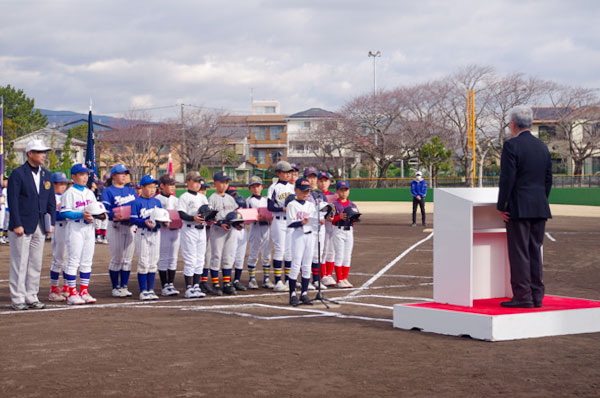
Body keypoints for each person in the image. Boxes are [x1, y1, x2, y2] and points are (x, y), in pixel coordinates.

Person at [497, 105, 552, 309]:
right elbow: (548, 180)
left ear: (512, 124)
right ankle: (537, 295)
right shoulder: (542, 147)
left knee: (519, 252)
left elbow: (507, 179)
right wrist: (540, 200)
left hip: (518, 207)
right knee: (534, 250)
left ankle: (523, 296)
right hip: (539, 207)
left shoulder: (511, 146)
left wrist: (502, 205)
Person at [7, 139, 55, 310]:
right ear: (30, 154)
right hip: (22, 225)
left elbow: (51, 201)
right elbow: (12, 201)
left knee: (35, 262)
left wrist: (52, 222)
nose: (44, 155)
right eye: (40, 152)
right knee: (19, 262)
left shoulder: (46, 175)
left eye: (44, 152)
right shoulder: (18, 174)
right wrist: (16, 223)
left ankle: (31, 295)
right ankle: (18, 297)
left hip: (40, 224)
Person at [60, 164, 100, 305]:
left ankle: (83, 291)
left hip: (88, 229)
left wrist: (96, 215)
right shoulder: (69, 193)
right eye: (82, 174)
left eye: (86, 174)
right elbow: (64, 212)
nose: (85, 177)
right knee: (73, 260)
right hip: (75, 228)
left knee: (87, 261)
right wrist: (81, 214)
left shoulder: (89, 193)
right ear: (74, 176)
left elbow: (95, 209)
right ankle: (72, 292)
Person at [101, 164, 137, 297]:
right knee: (117, 258)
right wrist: (112, 214)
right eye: (121, 173)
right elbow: (105, 209)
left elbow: (136, 206)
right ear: (114, 176)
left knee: (127, 259)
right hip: (116, 226)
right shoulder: (108, 191)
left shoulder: (131, 191)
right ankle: (115, 287)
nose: (124, 176)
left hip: (130, 226)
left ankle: (124, 286)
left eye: (125, 174)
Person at [130, 174, 163, 301]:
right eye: (149, 186)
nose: (152, 189)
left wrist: (163, 222)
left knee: (154, 262)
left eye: (154, 187)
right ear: (142, 187)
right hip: (142, 233)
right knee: (144, 262)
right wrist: (144, 222)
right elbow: (133, 219)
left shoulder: (157, 202)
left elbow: (161, 216)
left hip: (155, 233)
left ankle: (151, 289)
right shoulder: (137, 202)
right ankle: (143, 290)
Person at [177, 171, 209, 298]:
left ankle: (196, 286)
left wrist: (211, 218)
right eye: (194, 181)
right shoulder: (184, 197)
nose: (197, 184)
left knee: (200, 259)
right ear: (188, 182)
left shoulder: (202, 197)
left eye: (199, 181)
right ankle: (189, 288)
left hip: (202, 230)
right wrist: (193, 218)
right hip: (189, 229)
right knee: (190, 259)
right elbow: (181, 214)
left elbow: (207, 213)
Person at [286, 177, 317, 306]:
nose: (306, 193)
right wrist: (301, 222)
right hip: (298, 235)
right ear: (296, 190)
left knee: (306, 266)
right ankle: (292, 294)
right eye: (303, 190)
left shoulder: (311, 205)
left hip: (310, 236)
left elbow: (314, 220)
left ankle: (304, 293)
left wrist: (318, 221)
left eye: (308, 191)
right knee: (296, 264)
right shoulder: (292, 204)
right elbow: (290, 223)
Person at [207, 171, 239, 295]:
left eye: (226, 182)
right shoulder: (212, 198)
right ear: (215, 183)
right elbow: (209, 217)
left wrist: (238, 223)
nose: (224, 185)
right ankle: (215, 284)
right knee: (216, 256)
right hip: (217, 230)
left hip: (231, 230)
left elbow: (237, 213)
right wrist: (220, 223)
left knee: (228, 256)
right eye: (221, 182)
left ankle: (226, 283)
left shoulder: (231, 198)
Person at [267, 161, 295, 292]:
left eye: (290, 172)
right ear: (278, 173)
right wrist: (283, 208)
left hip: (290, 221)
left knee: (289, 251)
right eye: (285, 172)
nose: (288, 174)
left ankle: (289, 280)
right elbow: (270, 206)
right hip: (278, 221)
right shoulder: (274, 187)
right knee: (280, 250)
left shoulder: (292, 187)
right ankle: (278, 281)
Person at [156, 174, 181, 297]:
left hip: (175, 230)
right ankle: (164, 285)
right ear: (162, 186)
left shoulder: (176, 200)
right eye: (170, 184)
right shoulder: (157, 199)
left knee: (173, 258)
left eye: (173, 185)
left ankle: (171, 283)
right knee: (163, 257)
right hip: (163, 231)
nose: (172, 187)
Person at [245, 176, 272, 289]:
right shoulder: (249, 200)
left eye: (258, 186)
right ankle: (252, 279)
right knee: (253, 254)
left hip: (267, 228)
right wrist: (255, 217)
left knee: (267, 254)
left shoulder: (266, 200)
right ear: (250, 188)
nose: (256, 189)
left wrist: (267, 217)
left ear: (262, 187)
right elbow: (246, 216)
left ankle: (266, 278)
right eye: (253, 187)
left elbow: (271, 214)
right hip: (255, 227)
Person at [331, 180, 360, 288]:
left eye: (346, 190)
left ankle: (345, 278)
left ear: (349, 191)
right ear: (337, 191)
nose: (343, 192)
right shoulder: (334, 204)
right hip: (338, 230)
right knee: (339, 255)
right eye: (341, 190)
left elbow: (356, 217)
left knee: (347, 256)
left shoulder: (352, 204)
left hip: (349, 230)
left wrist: (355, 218)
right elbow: (330, 219)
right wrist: (339, 217)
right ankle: (339, 279)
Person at [304, 167, 329, 291]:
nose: (312, 180)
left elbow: (325, 208)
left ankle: (316, 280)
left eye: (314, 177)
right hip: (308, 227)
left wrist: (324, 216)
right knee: (307, 254)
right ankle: (306, 280)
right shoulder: (304, 194)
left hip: (320, 227)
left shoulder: (320, 194)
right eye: (309, 177)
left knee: (317, 254)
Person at [48, 172, 70, 301]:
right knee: (58, 259)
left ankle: (67, 286)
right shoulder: (51, 198)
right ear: (53, 184)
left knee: (68, 261)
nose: (63, 186)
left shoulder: (66, 196)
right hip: (58, 228)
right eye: (60, 183)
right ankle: (54, 289)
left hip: (69, 228)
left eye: (64, 183)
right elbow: (55, 215)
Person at [227, 186, 248, 292]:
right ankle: (228, 281)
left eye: (234, 193)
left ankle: (236, 280)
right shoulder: (226, 205)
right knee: (231, 256)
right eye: (231, 194)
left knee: (240, 257)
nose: (233, 196)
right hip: (232, 231)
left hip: (243, 231)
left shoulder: (241, 203)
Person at [317, 171, 337, 286]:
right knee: (322, 251)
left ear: (329, 182)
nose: (323, 183)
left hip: (332, 226)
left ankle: (329, 274)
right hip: (322, 226)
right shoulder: (316, 194)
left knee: (331, 251)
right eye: (321, 180)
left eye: (325, 180)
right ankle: (322, 275)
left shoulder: (334, 196)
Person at [0, 175, 8, 244]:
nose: (6, 182)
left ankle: (3, 236)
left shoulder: (5, 189)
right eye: (5, 181)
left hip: (4, 207)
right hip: (2, 207)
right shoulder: (2, 190)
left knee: (3, 222)